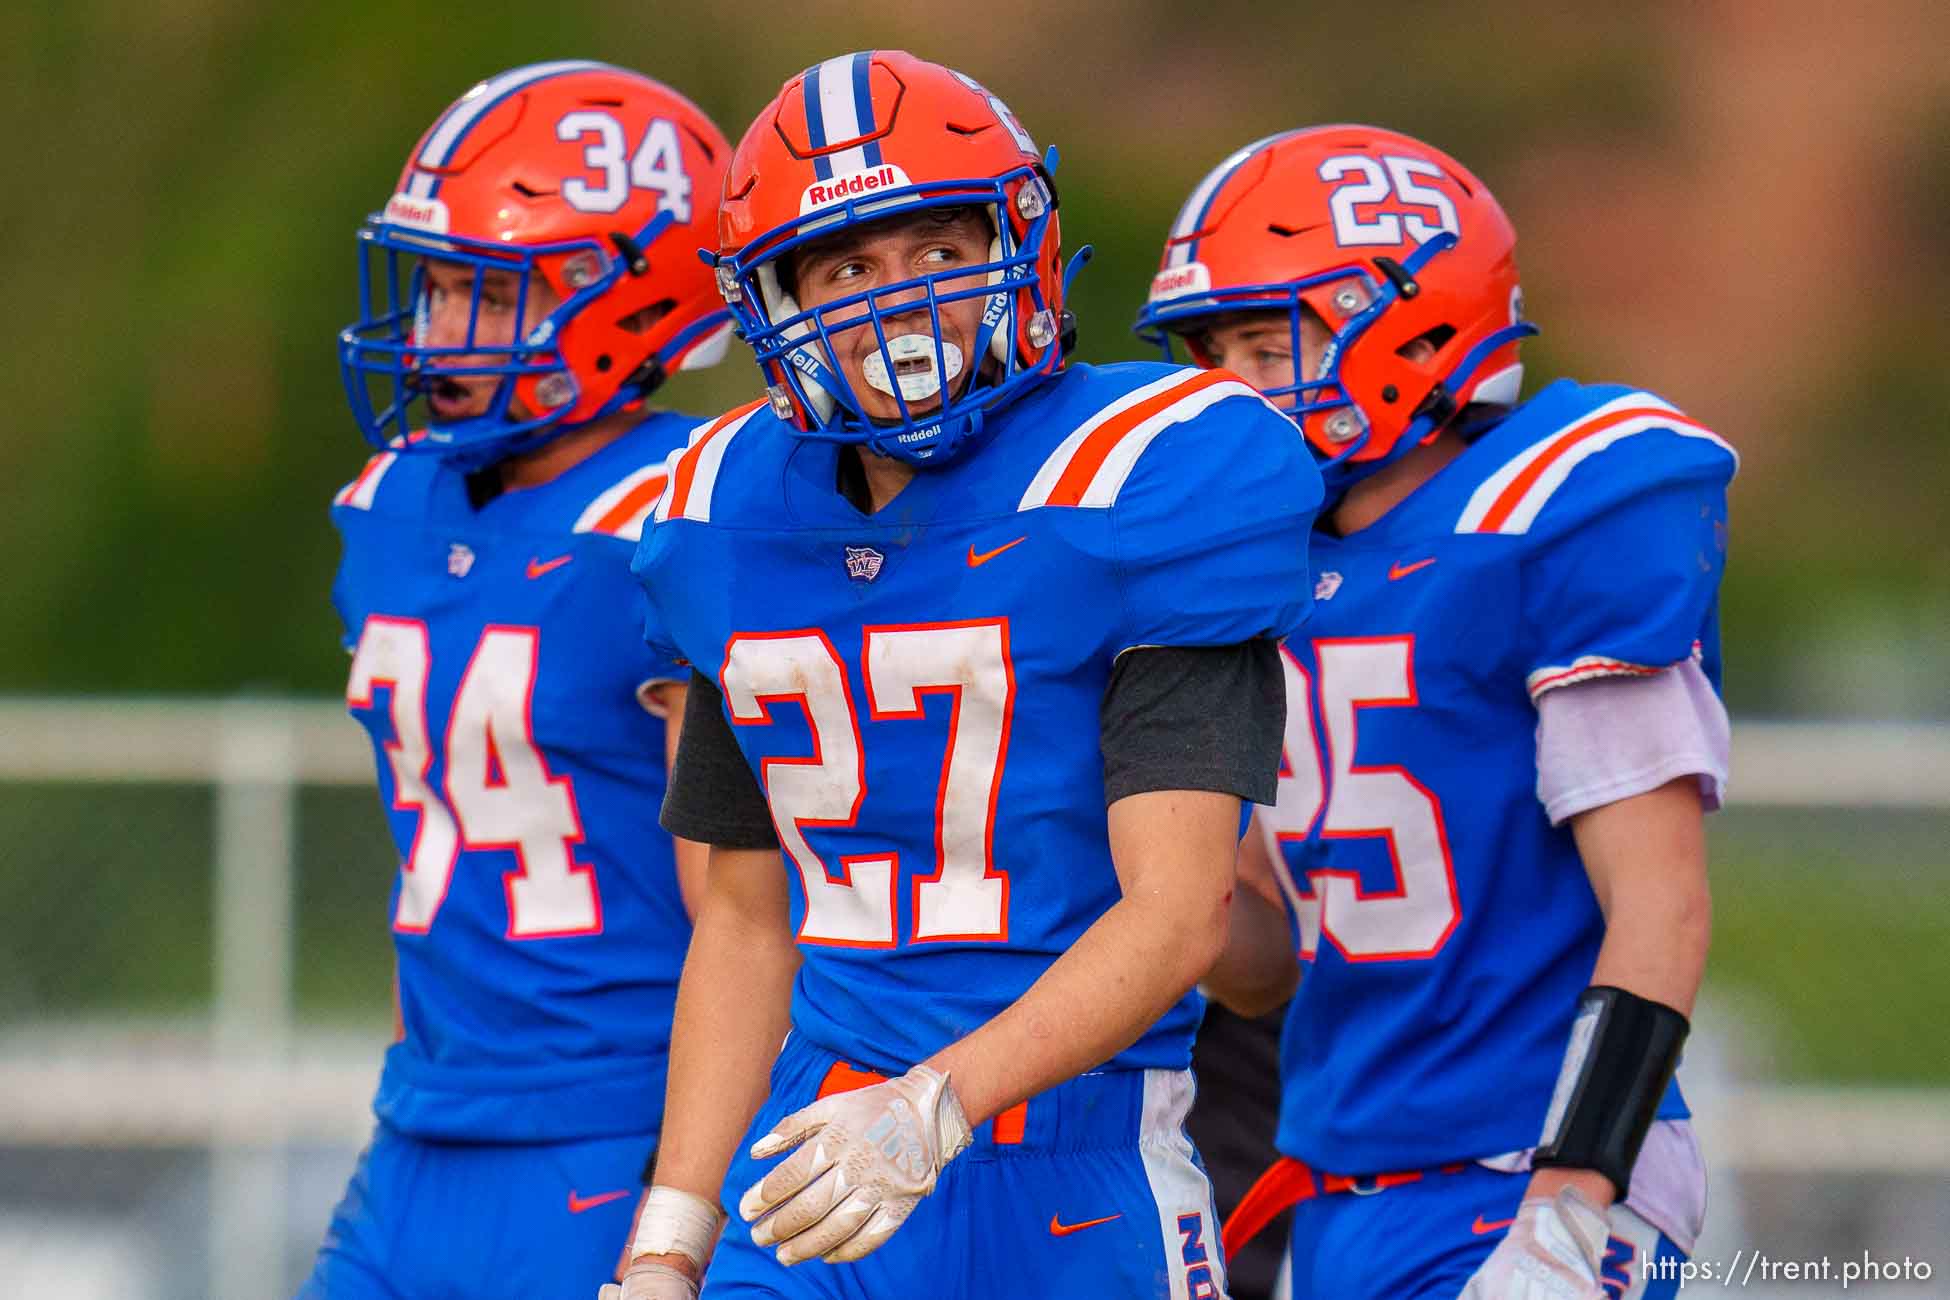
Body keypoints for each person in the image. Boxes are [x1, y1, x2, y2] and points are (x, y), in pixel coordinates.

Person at [606, 50, 1323, 1300]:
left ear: (1021, 242)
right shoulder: (726, 519)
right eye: (849, 266)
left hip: (1072, 1156)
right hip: (811, 1166)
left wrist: (936, 1104)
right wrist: (667, 1243)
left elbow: (1180, 912)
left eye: (940, 251)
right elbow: (743, 918)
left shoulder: (1147, 477)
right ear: (772, 302)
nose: (901, 302)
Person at [1137, 124, 1732, 1300]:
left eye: (1267, 344)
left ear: (1409, 320)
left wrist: (1574, 1194)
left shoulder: (1547, 516)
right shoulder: (1260, 577)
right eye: (1213, 355)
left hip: (1536, 1165)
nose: (1235, 392)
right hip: (1345, 1177)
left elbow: (1663, 902)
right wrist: (1154, 890)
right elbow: (1265, 965)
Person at [308, 61, 734, 1299]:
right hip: (422, 1124)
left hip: (609, 1129)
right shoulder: (390, 506)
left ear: (625, 301)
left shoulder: (672, 521)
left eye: (483, 294)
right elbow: (435, 856)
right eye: (434, 286)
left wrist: (684, 1208)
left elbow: (742, 916)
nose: (438, 331)